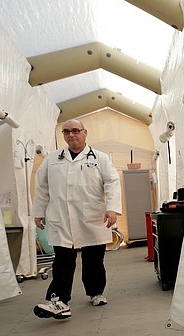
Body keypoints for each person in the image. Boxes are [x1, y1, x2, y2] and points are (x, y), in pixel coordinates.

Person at [32, 119, 122, 320]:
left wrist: (112, 209)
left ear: (85, 132)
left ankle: (96, 292)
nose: (71, 135)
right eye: (66, 132)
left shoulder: (100, 158)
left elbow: (112, 183)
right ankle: (59, 301)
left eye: (75, 131)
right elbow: (42, 187)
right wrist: (38, 212)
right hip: (62, 217)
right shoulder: (52, 159)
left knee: (94, 260)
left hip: (92, 217)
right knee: (63, 260)